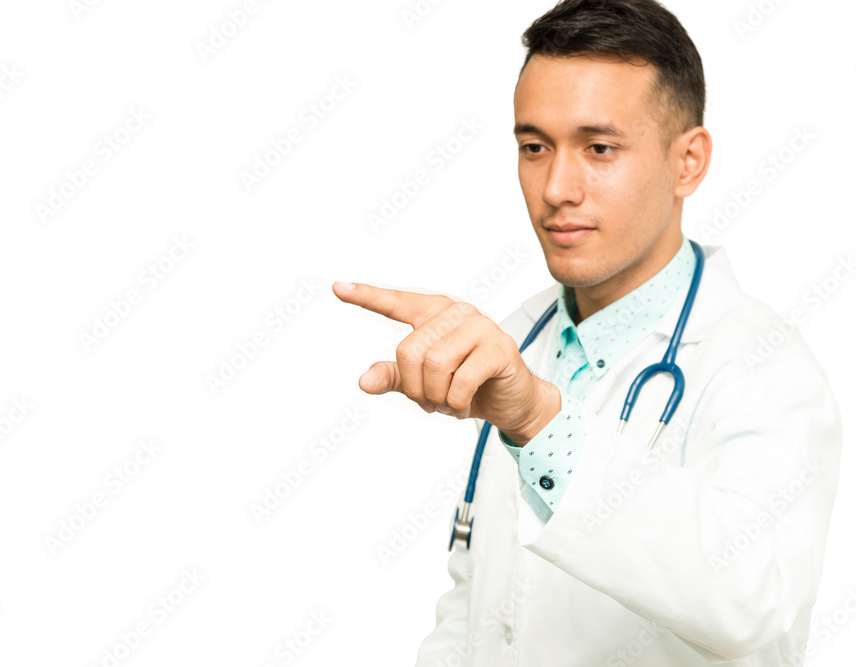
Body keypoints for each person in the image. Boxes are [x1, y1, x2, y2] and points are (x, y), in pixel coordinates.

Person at [331, 0, 843, 664]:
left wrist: (541, 423)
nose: (556, 188)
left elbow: (756, 603)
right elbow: (476, 606)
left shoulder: (764, 368)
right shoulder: (520, 337)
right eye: (534, 147)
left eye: (599, 148)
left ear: (688, 162)